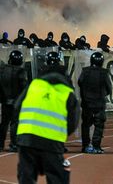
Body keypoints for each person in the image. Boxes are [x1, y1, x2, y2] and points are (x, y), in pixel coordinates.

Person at [15, 51, 79, 184]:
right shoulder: (67, 92)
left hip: (26, 138)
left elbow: (17, 107)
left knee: (26, 178)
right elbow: (73, 122)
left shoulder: (34, 85)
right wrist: (61, 134)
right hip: (52, 141)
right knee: (57, 177)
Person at [78, 52, 111, 154]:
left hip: (87, 103)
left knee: (86, 125)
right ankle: (96, 146)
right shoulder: (104, 72)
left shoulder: (85, 71)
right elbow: (109, 88)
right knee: (99, 125)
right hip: (99, 103)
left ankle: (85, 146)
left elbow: (80, 82)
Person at [0, 50, 27, 152]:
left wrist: (3, 98)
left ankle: (0, 144)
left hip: (5, 100)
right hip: (16, 101)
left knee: (4, 123)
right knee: (14, 123)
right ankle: (14, 144)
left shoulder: (3, 70)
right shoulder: (21, 72)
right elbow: (24, 87)